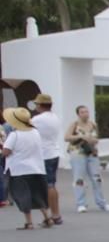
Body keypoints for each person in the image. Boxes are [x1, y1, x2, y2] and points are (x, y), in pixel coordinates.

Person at [4, 106, 53, 229]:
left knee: (23, 195)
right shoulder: (35, 132)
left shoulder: (14, 135)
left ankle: (29, 222)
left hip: (19, 170)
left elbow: (6, 151)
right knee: (37, 194)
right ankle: (47, 218)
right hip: (36, 168)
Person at [27, 87, 64, 225]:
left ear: (40, 105)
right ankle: (56, 213)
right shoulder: (55, 117)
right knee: (52, 184)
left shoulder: (38, 119)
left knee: (47, 185)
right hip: (54, 151)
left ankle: (52, 215)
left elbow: (26, 127)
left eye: (37, 104)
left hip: (44, 154)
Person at [64, 104, 109, 212]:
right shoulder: (75, 125)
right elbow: (66, 137)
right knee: (79, 178)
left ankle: (101, 202)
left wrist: (93, 140)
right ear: (78, 114)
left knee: (97, 178)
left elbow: (96, 137)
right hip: (78, 152)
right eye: (82, 112)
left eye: (87, 112)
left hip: (92, 152)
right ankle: (81, 203)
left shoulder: (93, 125)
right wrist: (81, 136)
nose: (85, 114)